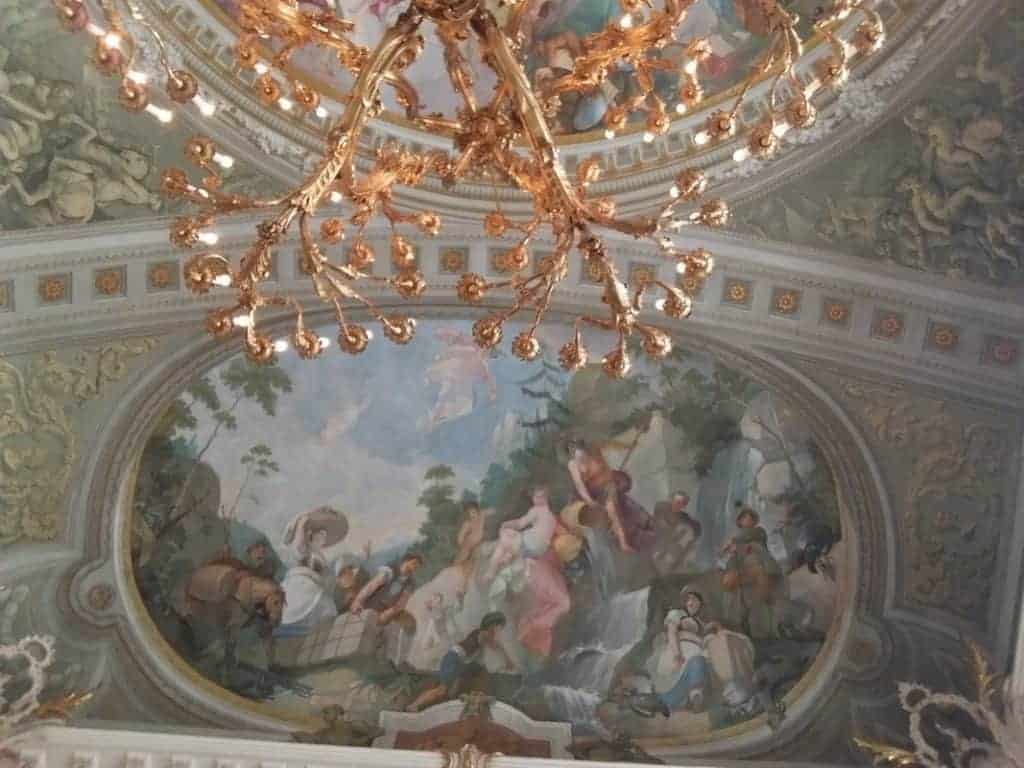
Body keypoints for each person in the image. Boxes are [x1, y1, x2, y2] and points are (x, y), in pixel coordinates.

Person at [406, 612, 516, 712]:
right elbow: (497, 646)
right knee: (441, 690)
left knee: (453, 692)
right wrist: (508, 662)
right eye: (499, 626)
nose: (500, 629)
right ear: (492, 624)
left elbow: (484, 654)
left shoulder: (481, 636)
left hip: (458, 662)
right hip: (453, 659)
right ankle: (414, 705)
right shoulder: (485, 634)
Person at [566, 439, 654, 553]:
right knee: (614, 514)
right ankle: (624, 543)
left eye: (575, 445)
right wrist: (589, 500)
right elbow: (579, 485)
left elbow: (610, 444)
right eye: (571, 448)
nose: (574, 449)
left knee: (632, 510)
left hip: (612, 487)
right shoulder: (573, 464)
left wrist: (628, 445)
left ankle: (646, 525)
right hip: (602, 494)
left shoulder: (593, 450)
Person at [278, 507, 349, 635]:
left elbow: (326, 576)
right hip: (302, 585)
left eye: (324, 536)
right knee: (319, 607)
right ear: (311, 535)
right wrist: (303, 522)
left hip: (316, 586)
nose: (323, 539)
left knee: (327, 609)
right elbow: (299, 547)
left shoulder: (318, 555)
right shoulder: (304, 550)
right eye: (320, 536)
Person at [642, 589, 712, 716]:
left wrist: (700, 641)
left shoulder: (701, 623)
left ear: (700, 603)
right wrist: (677, 654)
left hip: (697, 652)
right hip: (680, 650)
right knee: (694, 661)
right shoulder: (677, 614)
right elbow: (672, 631)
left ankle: (695, 696)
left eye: (695, 600)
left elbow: (705, 639)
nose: (691, 603)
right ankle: (669, 700)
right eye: (688, 599)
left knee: (699, 662)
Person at [484, 486, 559, 581]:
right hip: (538, 551)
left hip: (529, 546)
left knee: (503, 539)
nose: (534, 499)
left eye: (537, 496)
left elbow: (519, 524)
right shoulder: (552, 517)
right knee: (514, 534)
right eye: (534, 496)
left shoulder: (537, 509)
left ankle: (490, 572)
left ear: (544, 498)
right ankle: (507, 557)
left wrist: (505, 524)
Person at [652, 492, 702, 576]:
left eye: (681, 503)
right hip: (657, 541)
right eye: (675, 501)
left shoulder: (683, 516)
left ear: (684, 506)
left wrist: (692, 533)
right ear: (671, 500)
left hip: (671, 547)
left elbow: (696, 527)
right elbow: (660, 525)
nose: (677, 505)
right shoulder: (661, 507)